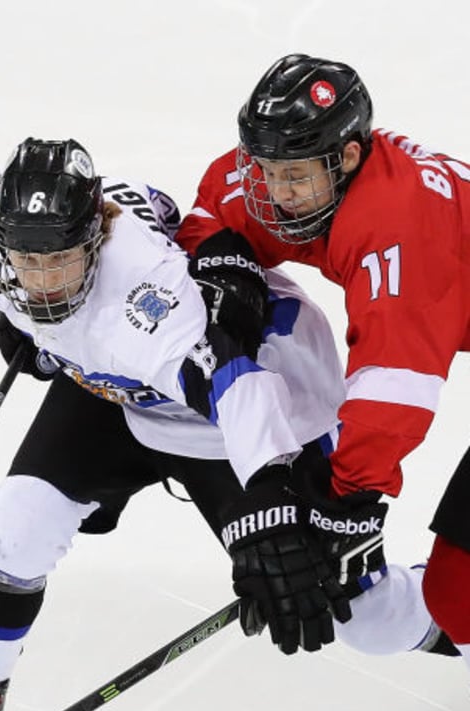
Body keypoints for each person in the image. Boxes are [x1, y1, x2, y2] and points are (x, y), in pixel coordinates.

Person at [0, 135, 441, 711]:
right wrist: (31, 328)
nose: (44, 283)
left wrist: (269, 494)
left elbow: (236, 384)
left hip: (253, 407)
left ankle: (457, 609)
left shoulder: (147, 302)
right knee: (15, 522)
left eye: (63, 262)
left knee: (361, 616)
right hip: (117, 390)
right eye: (27, 263)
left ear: (95, 243)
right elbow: (142, 203)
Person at [177, 52, 470, 669]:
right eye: (265, 169)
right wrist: (221, 261)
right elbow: (212, 213)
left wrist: (343, 499)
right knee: (455, 599)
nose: (276, 192)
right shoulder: (299, 177)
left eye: (293, 176)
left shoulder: (395, 222)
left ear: (349, 157)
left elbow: (396, 390)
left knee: (459, 596)